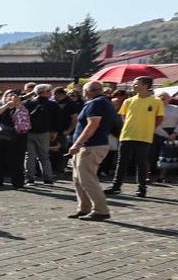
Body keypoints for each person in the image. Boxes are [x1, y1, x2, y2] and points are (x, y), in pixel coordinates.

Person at [67, 80, 116, 220]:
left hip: (91, 146)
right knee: (78, 179)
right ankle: (84, 208)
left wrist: (78, 143)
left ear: (87, 91)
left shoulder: (96, 103)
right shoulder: (102, 102)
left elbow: (93, 124)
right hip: (89, 145)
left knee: (88, 179)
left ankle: (101, 210)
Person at [109, 76, 163, 198]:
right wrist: (127, 126)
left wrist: (150, 128)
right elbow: (123, 116)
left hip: (144, 136)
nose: (134, 86)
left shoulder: (156, 101)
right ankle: (116, 186)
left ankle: (142, 188)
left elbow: (159, 118)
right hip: (127, 135)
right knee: (121, 162)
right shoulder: (129, 101)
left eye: (136, 84)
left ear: (145, 85)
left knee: (141, 163)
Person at [0, 90, 28, 188]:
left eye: (13, 97)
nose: (11, 98)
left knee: (17, 160)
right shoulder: (1, 107)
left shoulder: (23, 107)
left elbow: (25, 117)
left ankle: (18, 182)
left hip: (18, 137)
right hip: (0, 136)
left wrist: (18, 105)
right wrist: (6, 106)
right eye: (8, 96)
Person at [22, 84, 61, 184]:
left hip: (29, 132)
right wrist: (55, 131)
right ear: (46, 92)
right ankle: (48, 178)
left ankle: (29, 178)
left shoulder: (27, 103)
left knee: (30, 156)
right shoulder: (52, 104)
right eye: (49, 91)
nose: (51, 93)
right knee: (44, 156)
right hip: (44, 133)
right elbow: (57, 120)